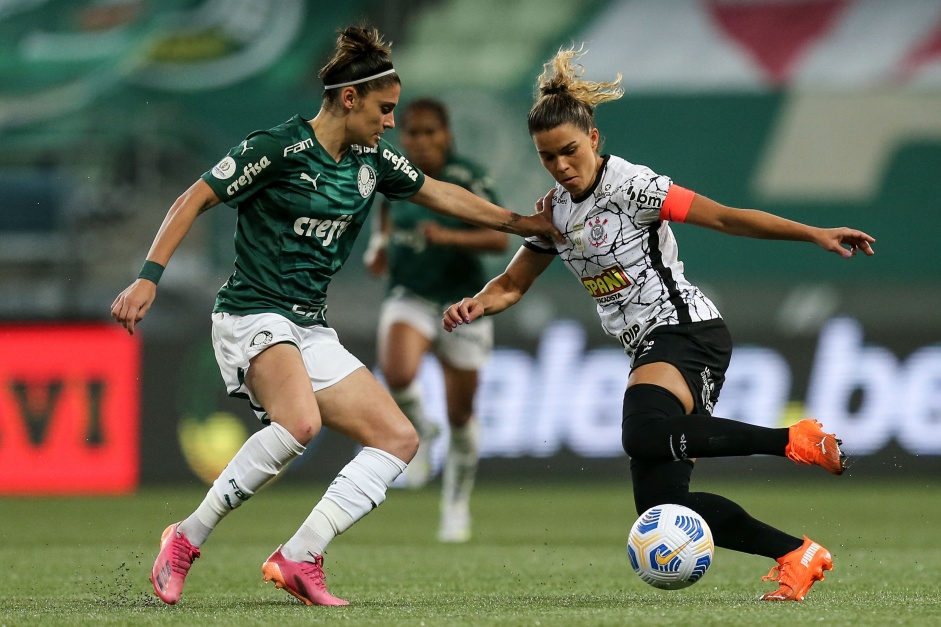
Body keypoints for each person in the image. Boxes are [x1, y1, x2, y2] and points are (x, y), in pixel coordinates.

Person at [110, 25, 561, 608]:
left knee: (398, 439)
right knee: (300, 424)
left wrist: (519, 223)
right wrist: (149, 276)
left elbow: (440, 193)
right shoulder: (276, 148)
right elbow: (194, 197)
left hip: (308, 326)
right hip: (252, 312)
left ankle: (300, 555)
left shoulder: (371, 160)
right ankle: (185, 539)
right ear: (350, 99)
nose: (391, 122)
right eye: (385, 109)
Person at [442, 46, 875, 602]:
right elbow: (512, 284)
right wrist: (477, 302)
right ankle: (798, 555)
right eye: (548, 157)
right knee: (663, 507)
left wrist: (812, 232)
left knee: (640, 431)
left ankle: (796, 439)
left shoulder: (630, 184)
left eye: (570, 151)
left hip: (684, 329)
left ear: (593, 140)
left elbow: (723, 217)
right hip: (652, 344)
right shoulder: (554, 210)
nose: (561, 165)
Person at [363, 98, 508, 542]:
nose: (421, 142)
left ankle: (456, 503)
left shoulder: (467, 177)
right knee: (399, 372)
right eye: (413, 133)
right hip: (410, 294)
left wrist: (448, 236)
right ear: (401, 136)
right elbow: (385, 226)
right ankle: (422, 429)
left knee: (461, 414)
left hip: (464, 304)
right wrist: (379, 249)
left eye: (431, 132)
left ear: (447, 135)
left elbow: (499, 240)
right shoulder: (392, 175)